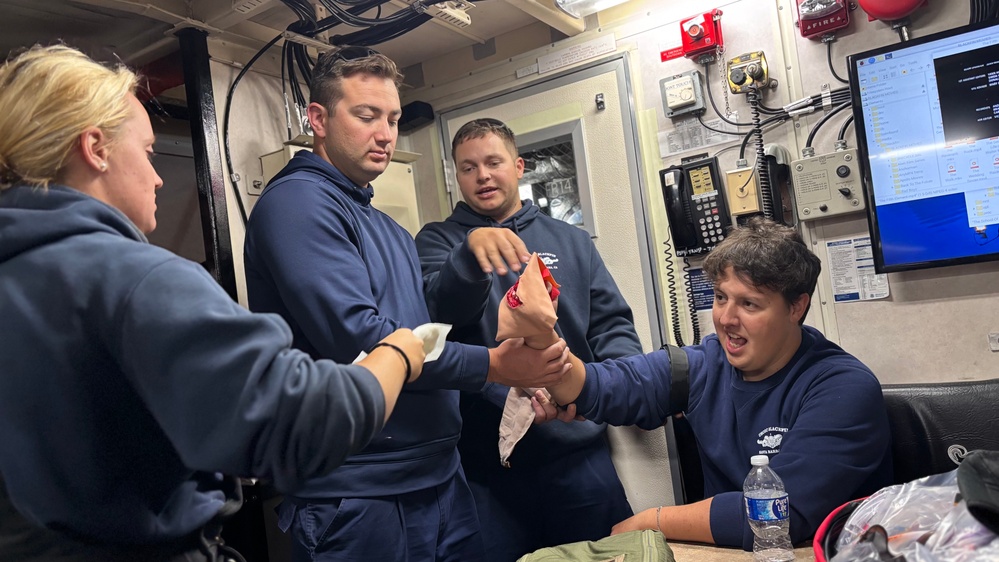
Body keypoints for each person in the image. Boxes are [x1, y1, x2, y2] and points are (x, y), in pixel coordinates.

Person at [0, 45, 428, 562]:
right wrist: (401, 351)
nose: (158, 176)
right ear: (96, 147)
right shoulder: (136, 279)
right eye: (150, 151)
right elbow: (304, 421)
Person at [242, 48, 568, 561]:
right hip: (359, 488)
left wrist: (465, 264)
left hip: (436, 471)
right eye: (366, 115)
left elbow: (425, 325)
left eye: (392, 119)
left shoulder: (385, 225)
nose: (385, 133)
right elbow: (365, 339)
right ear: (319, 119)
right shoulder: (297, 203)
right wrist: (493, 366)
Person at [541, 216, 894, 550]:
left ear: (796, 308)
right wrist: (544, 353)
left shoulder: (842, 388)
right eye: (721, 297)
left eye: (749, 304)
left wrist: (654, 519)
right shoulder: (705, 363)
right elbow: (608, 385)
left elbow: (783, 515)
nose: (726, 318)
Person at [415, 118, 641, 561]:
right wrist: (469, 256)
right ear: (457, 177)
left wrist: (599, 393)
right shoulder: (437, 242)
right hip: (486, 470)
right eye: (468, 167)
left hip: (578, 454)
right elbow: (439, 315)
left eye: (493, 162)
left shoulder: (571, 241)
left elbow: (612, 327)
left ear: (518, 166)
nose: (482, 176)